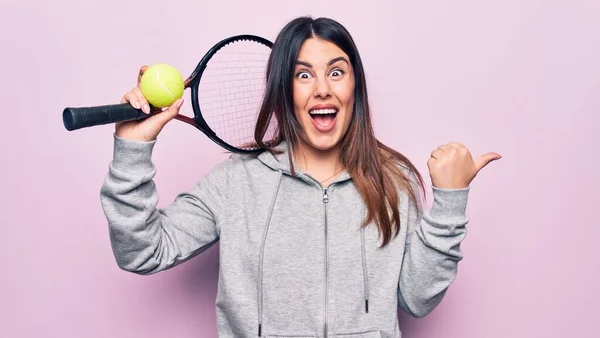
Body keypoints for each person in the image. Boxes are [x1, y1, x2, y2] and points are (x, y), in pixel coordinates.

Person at [100, 16, 501, 338]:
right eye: (303, 75)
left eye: (337, 72)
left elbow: (417, 300)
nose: (322, 89)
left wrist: (450, 200)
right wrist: (132, 150)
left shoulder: (391, 184)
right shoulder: (235, 183)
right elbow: (141, 251)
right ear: (284, 90)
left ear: (354, 88)